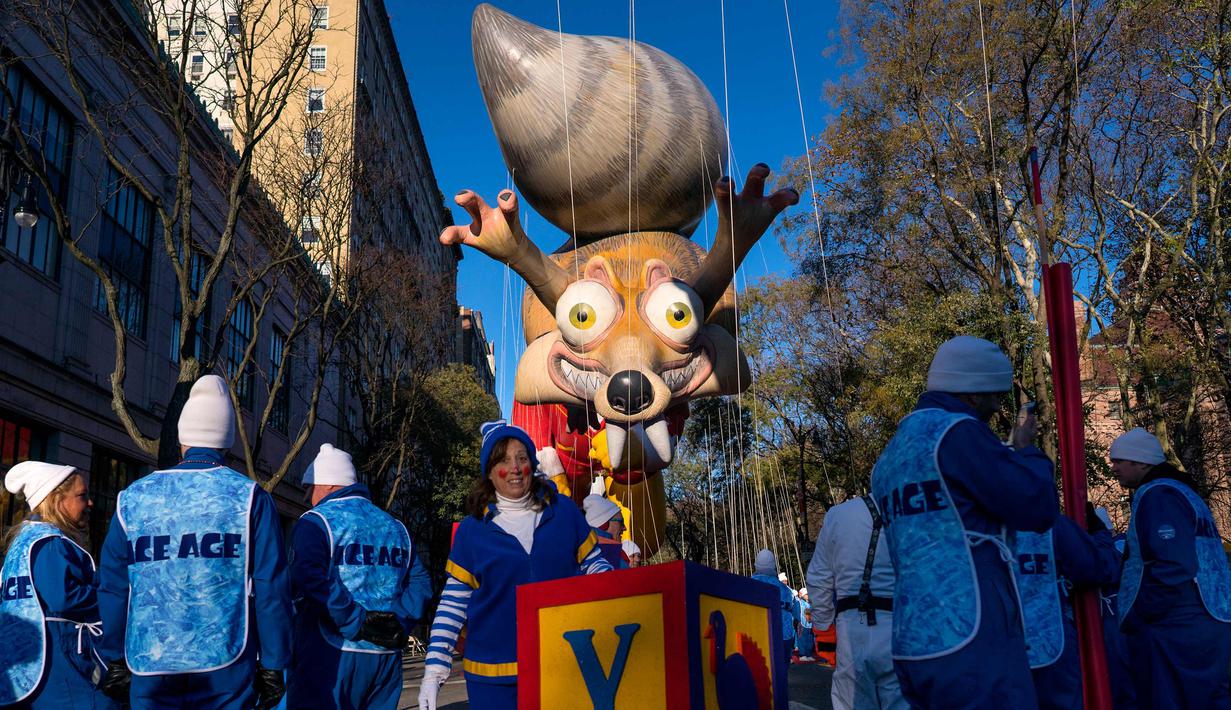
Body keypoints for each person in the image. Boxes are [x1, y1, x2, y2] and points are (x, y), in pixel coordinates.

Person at [869, 336, 1057, 709]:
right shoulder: (958, 433)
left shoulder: (893, 453)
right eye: (994, 396)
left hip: (914, 637)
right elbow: (1036, 505)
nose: (996, 406)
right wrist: (1027, 452)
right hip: (972, 633)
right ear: (972, 394)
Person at [96, 375, 292, 709]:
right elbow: (271, 587)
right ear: (226, 442)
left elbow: (114, 585)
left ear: (182, 439)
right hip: (226, 663)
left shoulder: (133, 498)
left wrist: (114, 655)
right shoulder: (249, 498)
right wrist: (274, 662)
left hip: (151, 661)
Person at [417, 420, 613, 710]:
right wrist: (435, 667)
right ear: (489, 472)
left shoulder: (565, 512)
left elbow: (596, 568)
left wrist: (616, 602)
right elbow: (453, 603)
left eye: (522, 457)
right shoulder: (473, 531)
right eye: (503, 460)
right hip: (492, 677)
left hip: (564, 665)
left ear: (532, 464)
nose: (515, 468)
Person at [287, 443, 433, 709]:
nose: (307, 496)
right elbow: (421, 583)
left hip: (331, 653)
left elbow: (310, 579)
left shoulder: (316, 521)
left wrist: (356, 621)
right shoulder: (395, 526)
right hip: (386, 659)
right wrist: (399, 622)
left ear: (329, 484)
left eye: (310, 487)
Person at [1110, 427, 1231, 708]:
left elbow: (1173, 565)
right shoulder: (1184, 493)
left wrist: (1142, 614)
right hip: (1208, 613)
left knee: (1173, 698)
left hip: (1180, 621)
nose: (1113, 468)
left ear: (1140, 462)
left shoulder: (1159, 495)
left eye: (1119, 461)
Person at [1, 461, 117, 709]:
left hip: (27, 669)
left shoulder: (23, 544)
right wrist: (111, 594)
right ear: (55, 499)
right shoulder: (51, 543)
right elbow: (64, 597)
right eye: (82, 496)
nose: (90, 503)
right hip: (59, 668)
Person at [1014, 509, 1120, 710]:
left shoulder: (963, 522)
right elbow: (1098, 568)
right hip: (1049, 645)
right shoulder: (1050, 524)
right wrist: (1100, 536)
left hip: (986, 648)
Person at [807, 494, 906, 710]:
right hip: (900, 625)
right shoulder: (910, 509)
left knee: (851, 702)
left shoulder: (838, 515)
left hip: (851, 629)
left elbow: (819, 579)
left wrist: (824, 630)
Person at [751, 548, 800, 671]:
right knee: (780, 672)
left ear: (755, 564)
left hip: (754, 634)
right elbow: (797, 612)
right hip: (783, 635)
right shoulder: (786, 590)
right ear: (773, 566)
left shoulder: (745, 585)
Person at [583, 493, 627, 569]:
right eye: (621, 522)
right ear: (604, 524)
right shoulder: (612, 554)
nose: (624, 528)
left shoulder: (582, 553)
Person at [794, 588, 816, 662]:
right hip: (801, 623)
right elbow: (796, 612)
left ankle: (808, 654)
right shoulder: (799, 602)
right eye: (806, 594)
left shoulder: (810, 603)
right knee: (802, 639)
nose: (808, 596)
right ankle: (802, 654)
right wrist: (798, 621)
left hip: (810, 624)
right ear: (803, 595)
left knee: (809, 639)